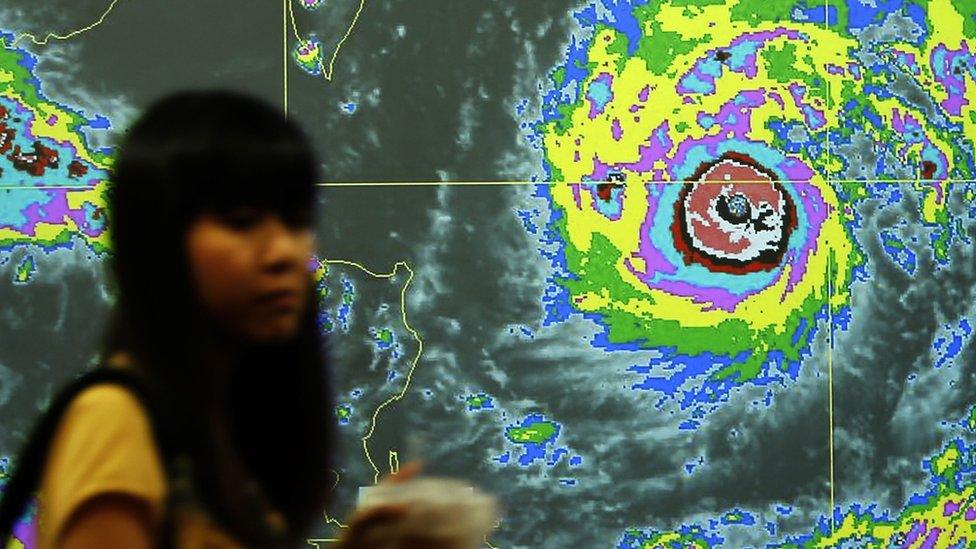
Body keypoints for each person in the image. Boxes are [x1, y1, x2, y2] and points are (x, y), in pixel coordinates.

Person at [0, 90, 381, 548]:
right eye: (242, 222)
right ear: (159, 240)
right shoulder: (116, 423)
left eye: (297, 222)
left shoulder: (211, 424)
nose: (285, 252)